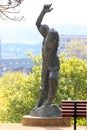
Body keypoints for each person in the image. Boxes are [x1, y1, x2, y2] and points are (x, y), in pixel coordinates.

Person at [36, 4, 60, 108]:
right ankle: (39, 105)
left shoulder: (53, 36)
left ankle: (49, 101)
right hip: (45, 64)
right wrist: (43, 12)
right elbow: (37, 24)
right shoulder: (46, 32)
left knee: (52, 79)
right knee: (43, 86)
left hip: (53, 64)